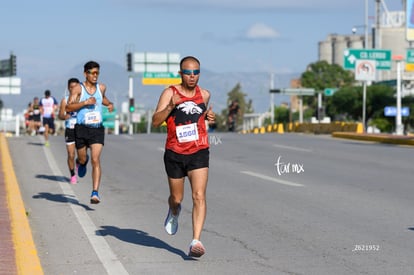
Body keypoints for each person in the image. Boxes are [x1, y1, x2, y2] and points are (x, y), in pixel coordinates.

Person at [152, 56, 215, 258]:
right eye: (188, 72)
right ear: (181, 74)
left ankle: (196, 240)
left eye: (196, 72)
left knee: (199, 196)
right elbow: (155, 121)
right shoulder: (170, 92)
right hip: (174, 153)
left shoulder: (204, 95)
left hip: (198, 151)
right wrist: (171, 106)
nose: (192, 76)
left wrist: (210, 118)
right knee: (177, 198)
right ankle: (174, 210)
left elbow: (200, 117)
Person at [66, 61, 114, 204]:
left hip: (97, 129)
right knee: (83, 158)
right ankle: (80, 162)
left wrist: (110, 103)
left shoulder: (102, 87)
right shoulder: (77, 89)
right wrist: (84, 103)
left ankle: (95, 192)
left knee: (95, 159)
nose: (95, 76)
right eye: (92, 73)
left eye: (97, 73)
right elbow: (68, 107)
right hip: (81, 128)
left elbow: (101, 98)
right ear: (85, 74)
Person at [59, 78, 80, 184]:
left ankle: (78, 163)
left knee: (82, 157)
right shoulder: (65, 100)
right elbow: (60, 115)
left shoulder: (83, 99)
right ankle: (72, 175)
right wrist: (64, 116)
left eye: (75, 87)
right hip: (70, 130)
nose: (73, 89)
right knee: (71, 154)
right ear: (68, 88)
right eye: (71, 87)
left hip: (81, 129)